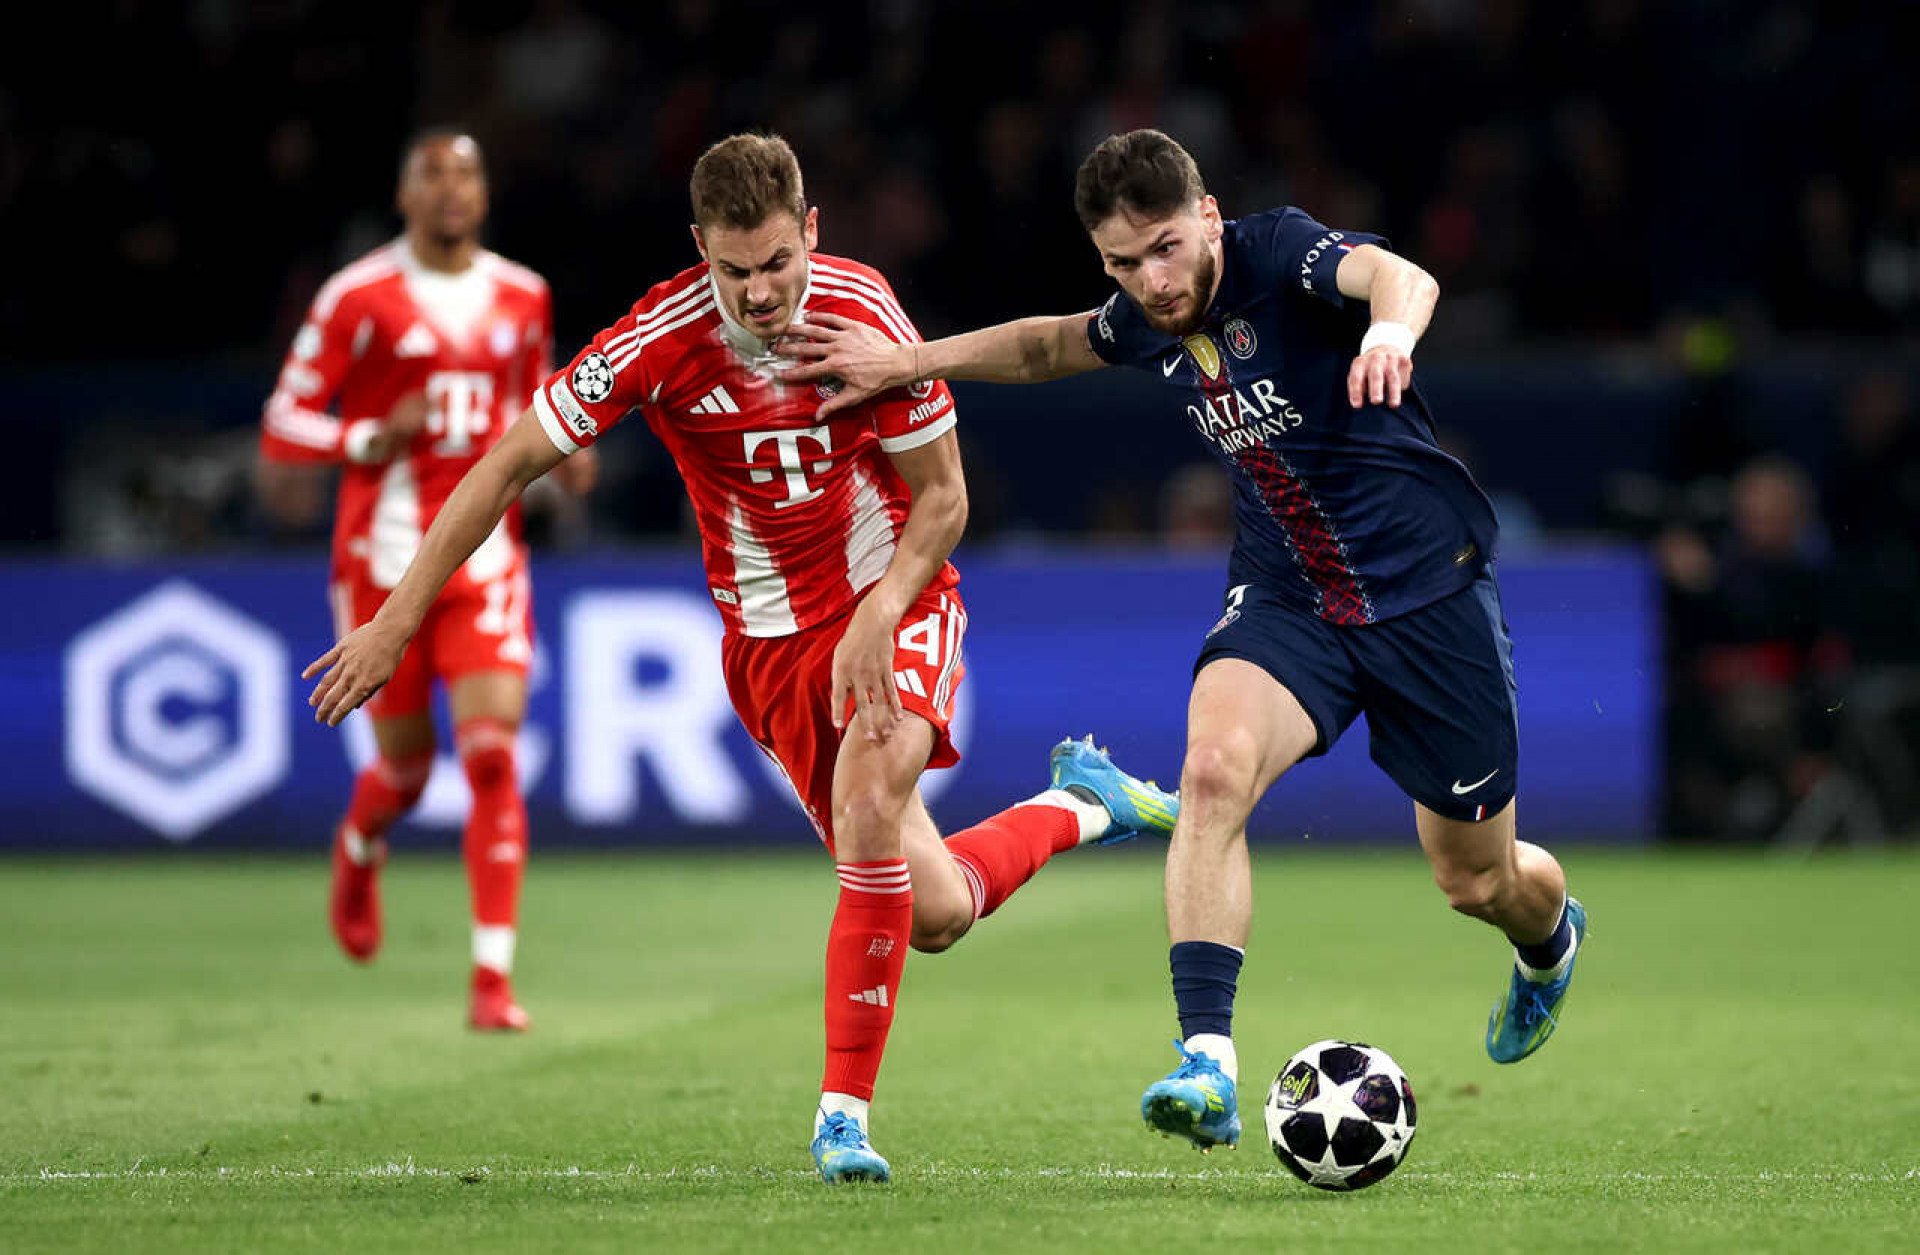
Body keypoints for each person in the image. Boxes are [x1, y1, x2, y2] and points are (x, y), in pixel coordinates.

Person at [302, 133, 1177, 1182]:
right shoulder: (659, 341)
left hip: (893, 601)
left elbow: (944, 499)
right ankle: (1088, 803)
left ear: (810, 230)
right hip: (768, 648)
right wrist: (398, 617)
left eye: (777, 263)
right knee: (934, 910)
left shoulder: (863, 316)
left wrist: (882, 607)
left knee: (866, 807)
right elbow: (510, 463)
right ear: (700, 250)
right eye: (735, 271)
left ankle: (841, 1120)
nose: (762, 294)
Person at [778, 128, 1587, 1152]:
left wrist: (1388, 334)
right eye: (1122, 262)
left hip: (1429, 595)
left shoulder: (1278, 251)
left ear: (1206, 217)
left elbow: (1402, 276)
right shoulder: (1145, 312)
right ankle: (1208, 1062)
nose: (1150, 282)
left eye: (1163, 248)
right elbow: (1049, 344)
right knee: (1208, 777)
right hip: (1290, 598)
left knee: (1477, 879)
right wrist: (908, 359)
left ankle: (1549, 943)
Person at [261, 129, 596, 1032]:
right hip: (381, 568)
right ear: (404, 196)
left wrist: (570, 457)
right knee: (407, 771)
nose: (452, 190)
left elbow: (542, 398)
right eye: (433, 175)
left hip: (487, 562)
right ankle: (361, 841)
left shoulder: (523, 295)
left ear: (484, 196)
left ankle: (492, 981)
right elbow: (284, 420)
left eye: (468, 175)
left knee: (491, 757)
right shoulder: (356, 296)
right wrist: (366, 438)